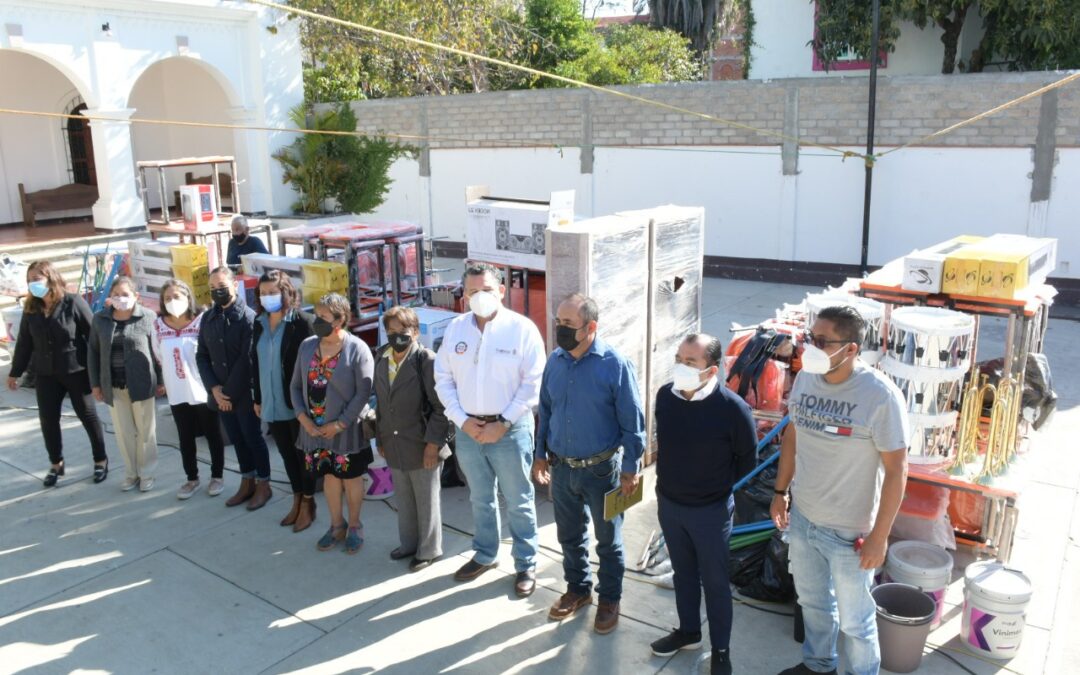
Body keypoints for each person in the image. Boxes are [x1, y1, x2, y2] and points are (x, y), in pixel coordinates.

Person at [771, 305, 910, 675]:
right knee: (813, 604)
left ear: (850, 349)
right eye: (809, 338)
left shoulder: (880, 396)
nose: (809, 347)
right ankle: (819, 665)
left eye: (821, 341)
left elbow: (898, 471)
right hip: (803, 519)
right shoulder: (806, 380)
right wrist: (780, 492)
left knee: (856, 623)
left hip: (851, 534)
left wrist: (880, 538)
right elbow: (792, 438)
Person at [532, 293, 645, 634]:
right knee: (569, 536)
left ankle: (609, 598)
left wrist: (631, 468)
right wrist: (540, 454)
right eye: (558, 322)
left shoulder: (615, 364)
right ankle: (578, 590)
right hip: (563, 468)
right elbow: (546, 409)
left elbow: (633, 422)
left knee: (608, 541)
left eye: (568, 324)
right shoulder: (556, 360)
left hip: (602, 472)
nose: (560, 329)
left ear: (590, 326)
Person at [434, 263, 546, 596]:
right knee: (481, 497)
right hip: (468, 429)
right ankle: (485, 553)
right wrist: (462, 420)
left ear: (500, 290)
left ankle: (526, 563)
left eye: (485, 290)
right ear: (464, 295)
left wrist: (504, 422)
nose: (479, 297)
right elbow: (443, 379)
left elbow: (534, 382)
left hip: (508, 430)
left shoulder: (521, 329)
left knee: (519, 500)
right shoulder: (456, 330)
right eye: (471, 292)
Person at [649, 334, 757, 675]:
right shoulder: (665, 396)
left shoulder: (733, 410)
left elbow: (747, 461)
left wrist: (713, 488)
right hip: (670, 503)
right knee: (683, 574)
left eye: (690, 362)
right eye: (679, 358)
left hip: (709, 511)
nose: (680, 366)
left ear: (710, 371)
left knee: (714, 581)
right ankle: (688, 631)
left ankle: (721, 650)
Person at [7, 261, 108, 487]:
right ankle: (56, 463)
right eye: (30, 279)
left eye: (37, 278)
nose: (33, 283)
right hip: (45, 373)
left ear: (50, 278)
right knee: (48, 419)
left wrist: (100, 372)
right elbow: (24, 342)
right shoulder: (31, 308)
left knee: (88, 416)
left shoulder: (73, 302)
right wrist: (15, 372)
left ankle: (100, 459)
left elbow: (94, 337)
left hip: (76, 369)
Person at [290, 293, 374, 554]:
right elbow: (294, 386)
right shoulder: (306, 346)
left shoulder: (357, 349)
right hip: (314, 431)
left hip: (345, 432)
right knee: (329, 475)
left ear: (340, 320)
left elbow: (364, 393)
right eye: (317, 315)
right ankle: (336, 524)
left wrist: (340, 424)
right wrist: (303, 418)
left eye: (324, 317)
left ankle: (355, 525)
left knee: (350, 478)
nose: (317, 321)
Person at [373, 306, 452, 572]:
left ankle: (429, 549)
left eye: (402, 331)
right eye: (391, 331)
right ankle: (408, 544)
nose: (396, 337)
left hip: (422, 444)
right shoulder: (382, 359)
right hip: (394, 442)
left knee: (426, 500)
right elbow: (382, 404)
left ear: (415, 332)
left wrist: (433, 445)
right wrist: (379, 438)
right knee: (405, 500)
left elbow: (441, 408)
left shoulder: (426, 360)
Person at [197, 266, 273, 510]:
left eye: (222, 287)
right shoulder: (208, 318)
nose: (217, 293)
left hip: (242, 394)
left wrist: (226, 393)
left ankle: (263, 483)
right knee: (237, 439)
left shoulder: (248, 318)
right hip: (220, 396)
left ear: (234, 286)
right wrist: (214, 389)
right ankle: (247, 479)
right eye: (212, 289)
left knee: (252, 437)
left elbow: (246, 360)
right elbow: (202, 356)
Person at [252, 270, 317, 531]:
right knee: (287, 456)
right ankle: (297, 497)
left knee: (304, 456)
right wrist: (257, 397)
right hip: (271, 401)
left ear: (287, 292)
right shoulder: (258, 323)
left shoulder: (302, 323)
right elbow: (255, 362)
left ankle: (309, 503)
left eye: (273, 292)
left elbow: (314, 367)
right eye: (263, 293)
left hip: (297, 404)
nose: (268, 297)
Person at [87, 276, 163, 492]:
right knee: (124, 432)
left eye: (125, 294)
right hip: (114, 385)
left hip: (142, 383)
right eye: (116, 295)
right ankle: (131, 473)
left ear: (136, 297)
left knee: (146, 432)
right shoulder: (100, 319)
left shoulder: (147, 317)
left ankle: (147, 473)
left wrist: (162, 380)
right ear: (110, 297)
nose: (120, 298)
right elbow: (93, 352)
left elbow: (158, 352)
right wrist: (95, 384)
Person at [153, 279, 227, 500]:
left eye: (177, 296)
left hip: (203, 389)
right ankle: (191, 478)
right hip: (177, 391)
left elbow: (210, 352)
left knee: (212, 433)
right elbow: (158, 355)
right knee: (185, 436)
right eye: (168, 298)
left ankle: (217, 476)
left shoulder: (202, 321)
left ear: (188, 298)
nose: (172, 301)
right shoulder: (158, 326)